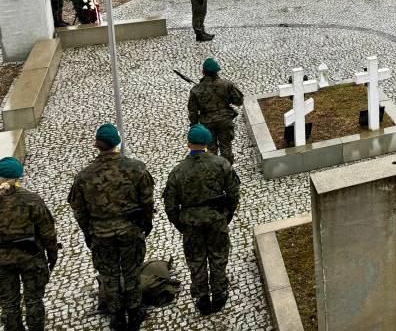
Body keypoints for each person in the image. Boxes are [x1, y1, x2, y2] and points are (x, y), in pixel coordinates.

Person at [68, 123, 154, 331]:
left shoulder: (84, 176)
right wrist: (146, 223)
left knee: (110, 274)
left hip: (100, 233)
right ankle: (134, 311)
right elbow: (147, 200)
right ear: (118, 143)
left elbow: (79, 210)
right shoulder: (136, 168)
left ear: (96, 145)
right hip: (130, 230)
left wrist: (89, 232)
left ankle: (116, 315)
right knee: (132, 271)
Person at [162, 124, 240, 316]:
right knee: (218, 255)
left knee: (196, 260)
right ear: (207, 143)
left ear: (188, 143)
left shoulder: (177, 171)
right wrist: (225, 216)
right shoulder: (221, 164)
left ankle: (202, 298)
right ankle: (219, 292)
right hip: (216, 219)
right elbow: (233, 194)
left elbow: (170, 205)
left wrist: (181, 224)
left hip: (190, 223)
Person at [0, 155, 59, 331]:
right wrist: (52, 255)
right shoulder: (31, 200)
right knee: (34, 300)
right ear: (19, 176)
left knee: (8, 302)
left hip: (2, 262)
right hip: (31, 258)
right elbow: (47, 232)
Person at [187, 58, 243, 165]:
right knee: (226, 147)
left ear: (203, 72)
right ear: (217, 71)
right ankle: (227, 170)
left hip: (207, 123)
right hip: (225, 121)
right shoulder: (227, 85)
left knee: (210, 149)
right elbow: (239, 101)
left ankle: (213, 169)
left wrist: (194, 127)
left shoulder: (196, 90)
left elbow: (193, 111)